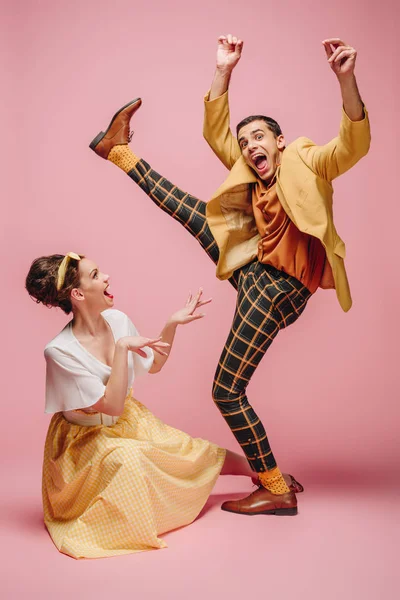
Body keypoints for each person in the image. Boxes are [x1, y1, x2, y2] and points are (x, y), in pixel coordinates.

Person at [89, 36, 370, 516]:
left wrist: (346, 80)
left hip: (278, 286)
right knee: (193, 212)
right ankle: (118, 152)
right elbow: (217, 133)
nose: (248, 146)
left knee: (226, 389)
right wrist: (224, 70)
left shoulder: (306, 159)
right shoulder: (251, 173)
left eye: (258, 136)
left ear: (279, 141)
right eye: (244, 142)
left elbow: (351, 145)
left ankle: (274, 486)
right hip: (253, 271)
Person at [26, 252, 303, 558]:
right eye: (95, 275)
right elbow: (111, 405)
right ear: (77, 294)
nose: (106, 277)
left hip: (127, 420)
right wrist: (121, 350)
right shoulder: (59, 351)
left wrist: (171, 324)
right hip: (84, 444)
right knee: (133, 459)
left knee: (189, 451)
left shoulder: (117, 319)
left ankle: (268, 477)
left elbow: (154, 363)